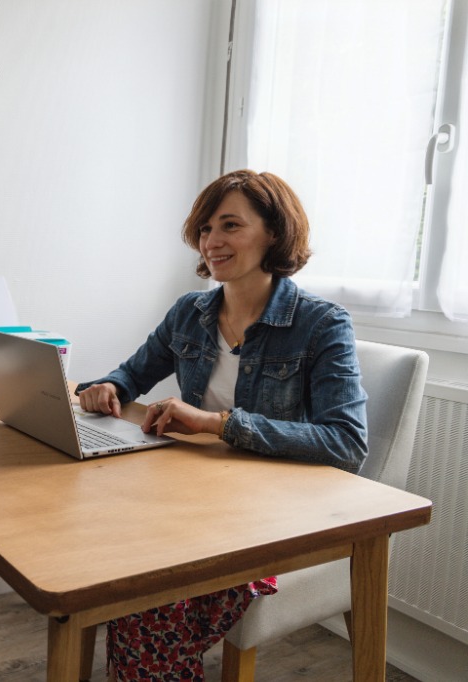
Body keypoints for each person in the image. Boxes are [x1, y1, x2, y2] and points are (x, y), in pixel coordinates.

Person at [76, 170, 368, 681]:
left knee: (149, 592)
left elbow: (346, 444)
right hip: (194, 500)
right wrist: (107, 389)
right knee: (106, 553)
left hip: (272, 514)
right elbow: (130, 374)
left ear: (274, 233)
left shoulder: (322, 324)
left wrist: (219, 423)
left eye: (230, 225)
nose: (212, 241)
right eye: (206, 228)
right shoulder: (191, 312)